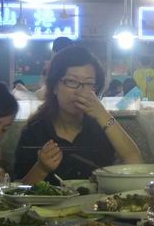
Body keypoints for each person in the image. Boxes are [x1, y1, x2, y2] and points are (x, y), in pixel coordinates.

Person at [15, 46, 142, 183]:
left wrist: (103, 114)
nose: (80, 91)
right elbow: (18, 189)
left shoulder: (101, 126)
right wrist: (41, 169)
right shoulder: (35, 131)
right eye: (71, 81)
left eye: (88, 84)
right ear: (54, 86)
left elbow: (135, 163)